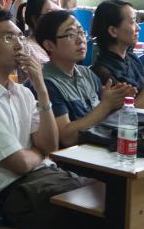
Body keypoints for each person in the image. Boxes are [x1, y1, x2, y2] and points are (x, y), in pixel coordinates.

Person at [0, 9, 101, 229]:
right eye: (8, 38)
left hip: (49, 178)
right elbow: (19, 164)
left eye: (20, 36)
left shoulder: (23, 92)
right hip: (18, 194)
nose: (19, 44)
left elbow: (50, 145)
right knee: (106, 221)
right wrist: (40, 152)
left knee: (116, 202)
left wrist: (41, 89)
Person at [36, 9, 134, 146]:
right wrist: (106, 105)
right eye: (71, 34)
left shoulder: (87, 74)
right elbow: (67, 138)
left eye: (81, 32)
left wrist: (116, 102)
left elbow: (102, 118)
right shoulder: (45, 83)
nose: (81, 40)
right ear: (49, 45)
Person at [91, 0, 144, 111]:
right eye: (133, 22)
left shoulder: (132, 59)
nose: (138, 28)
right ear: (113, 31)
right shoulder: (102, 72)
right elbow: (132, 111)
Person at [20, 0, 55, 64]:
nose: (54, 17)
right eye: (49, 13)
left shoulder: (54, 42)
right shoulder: (27, 48)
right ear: (34, 19)